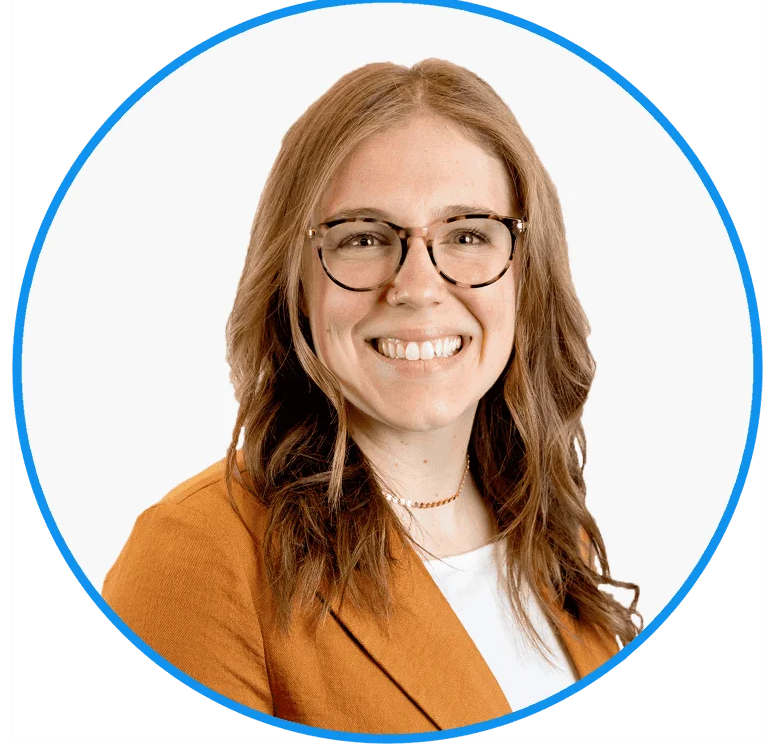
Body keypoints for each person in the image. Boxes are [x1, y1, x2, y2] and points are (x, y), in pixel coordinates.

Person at [102, 58, 642, 735]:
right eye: (362, 237)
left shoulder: (545, 535)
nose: (416, 285)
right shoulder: (199, 553)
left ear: (525, 274)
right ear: (294, 280)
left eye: (467, 233)